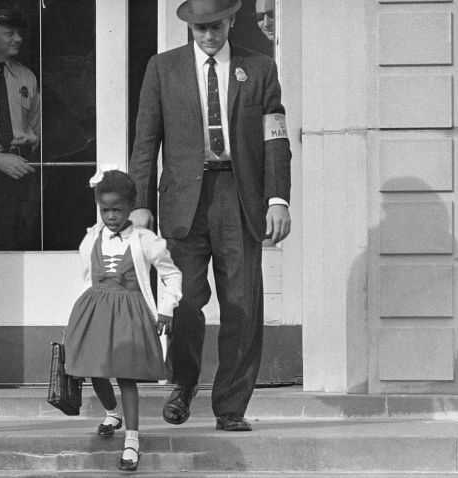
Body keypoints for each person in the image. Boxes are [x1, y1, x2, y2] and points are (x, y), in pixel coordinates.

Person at [128, 0, 292, 432]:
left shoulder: (259, 69)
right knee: (184, 300)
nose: (208, 36)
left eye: (215, 27)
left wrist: (278, 199)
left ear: (231, 21)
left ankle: (231, 404)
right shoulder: (162, 69)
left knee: (242, 303)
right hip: (184, 202)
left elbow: (275, 137)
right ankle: (182, 384)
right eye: (199, 29)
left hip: (239, 198)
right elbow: (145, 141)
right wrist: (140, 204)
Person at [65, 168, 182, 471]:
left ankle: (132, 439)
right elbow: (87, 277)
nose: (111, 216)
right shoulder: (92, 239)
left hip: (130, 313)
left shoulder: (145, 240)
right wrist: (78, 319)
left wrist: (167, 307)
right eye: (105, 210)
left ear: (131, 207)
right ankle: (112, 411)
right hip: (96, 310)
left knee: (126, 376)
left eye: (117, 210)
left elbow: (171, 274)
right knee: (94, 369)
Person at [0, 5, 42, 250]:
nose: (18, 38)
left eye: (19, 32)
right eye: (9, 33)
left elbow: (34, 126)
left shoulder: (27, 77)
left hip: (20, 172)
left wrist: (30, 141)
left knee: (23, 241)